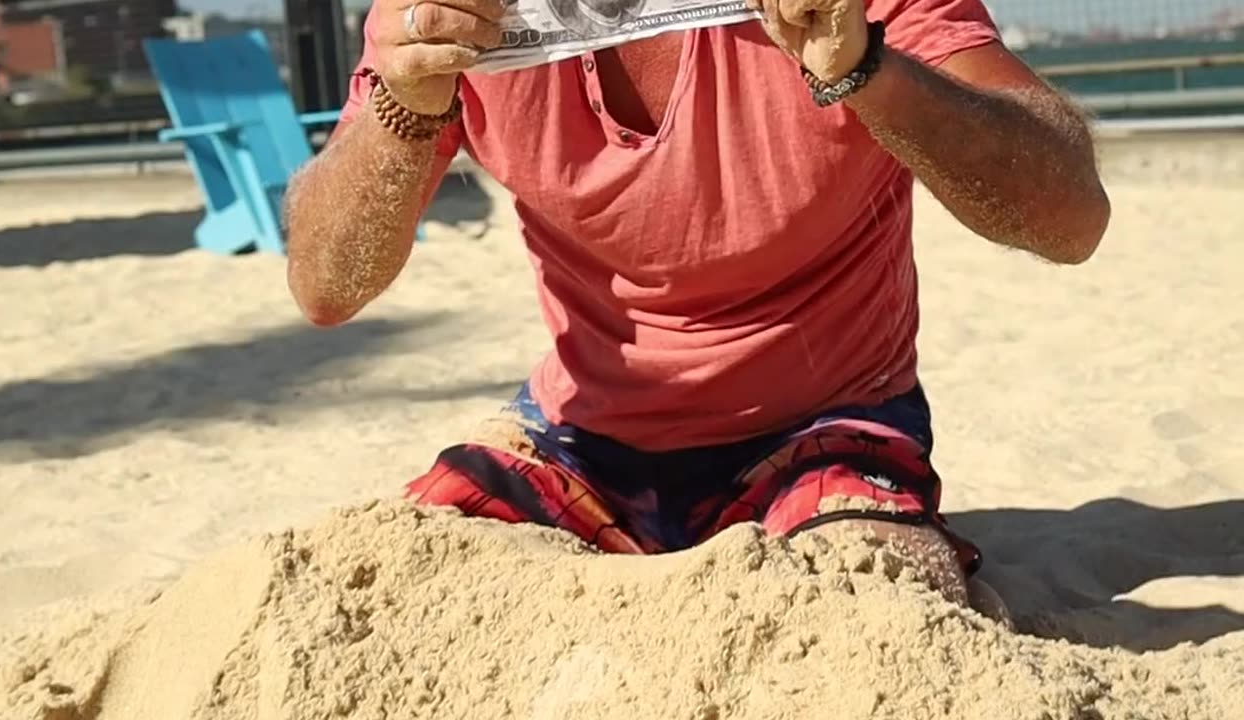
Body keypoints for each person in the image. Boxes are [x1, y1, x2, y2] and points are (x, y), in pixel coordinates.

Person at [283, 0, 1110, 614]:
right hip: (578, 440)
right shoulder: (463, 15)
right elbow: (324, 285)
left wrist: (867, 69)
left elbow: (1070, 217)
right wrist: (402, 101)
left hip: (823, 424)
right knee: (371, 597)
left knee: (876, 614)